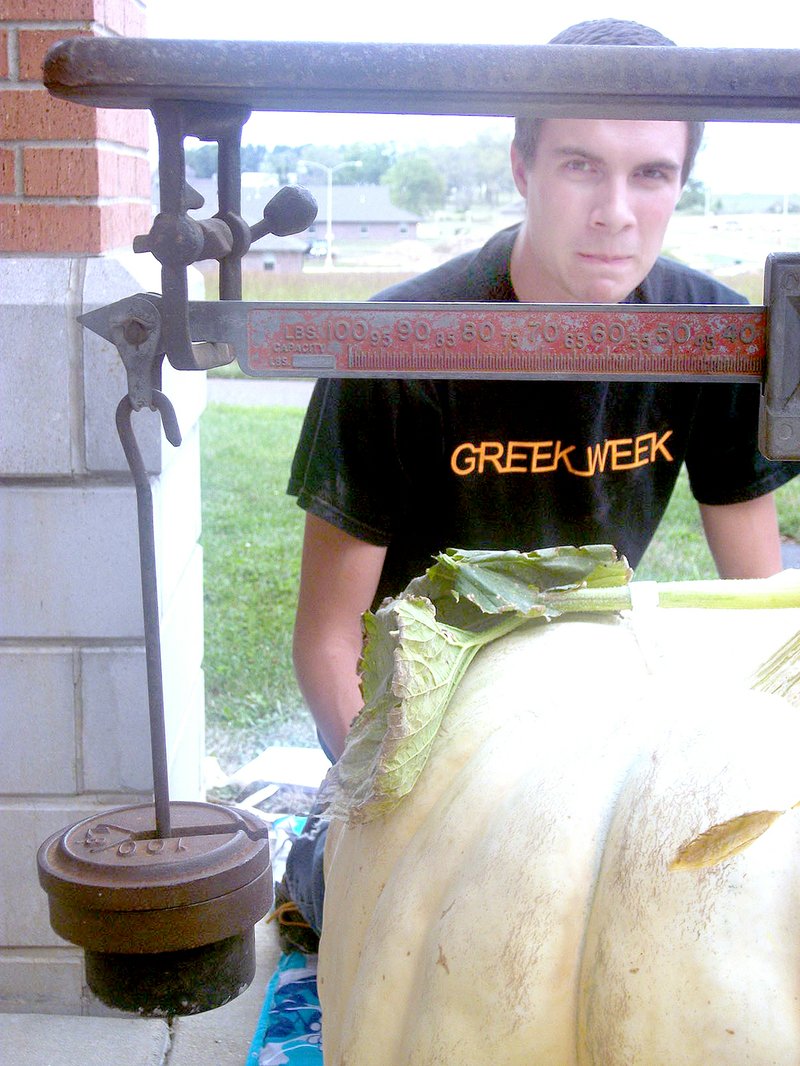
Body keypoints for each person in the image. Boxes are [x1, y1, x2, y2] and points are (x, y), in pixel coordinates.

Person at [275, 17, 798, 944]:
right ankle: (315, 853)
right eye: (579, 166)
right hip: (416, 719)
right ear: (522, 167)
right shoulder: (399, 345)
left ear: (682, 181)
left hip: (589, 704)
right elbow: (325, 642)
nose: (615, 211)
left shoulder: (713, 336)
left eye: (651, 174)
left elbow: (757, 598)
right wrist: (396, 808)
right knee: (413, 930)